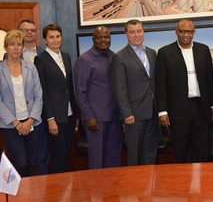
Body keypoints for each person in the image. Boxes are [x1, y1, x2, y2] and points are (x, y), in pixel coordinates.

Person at [156, 19, 213, 163]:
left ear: (194, 32)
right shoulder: (165, 52)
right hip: (178, 109)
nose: (186, 35)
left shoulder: (203, 50)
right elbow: (160, 84)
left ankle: (203, 176)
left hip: (201, 108)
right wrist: (162, 111)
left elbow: (210, 79)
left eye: (189, 32)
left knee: (203, 148)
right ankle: (184, 176)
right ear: (176, 31)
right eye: (182, 31)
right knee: (181, 148)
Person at [0, 30, 43, 177]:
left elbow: (38, 95)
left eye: (19, 44)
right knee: (20, 162)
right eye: (12, 44)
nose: (15, 48)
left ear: (23, 47)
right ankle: (19, 191)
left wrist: (30, 120)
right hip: (10, 124)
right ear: (6, 47)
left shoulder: (30, 67)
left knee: (31, 163)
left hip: (32, 122)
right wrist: (16, 123)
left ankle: (30, 191)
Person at [111, 20, 158, 166]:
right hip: (134, 114)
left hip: (152, 111)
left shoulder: (151, 53)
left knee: (150, 152)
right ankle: (136, 181)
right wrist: (127, 113)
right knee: (135, 154)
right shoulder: (120, 57)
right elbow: (120, 88)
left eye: (139, 31)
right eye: (132, 32)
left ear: (143, 32)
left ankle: (150, 178)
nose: (136, 35)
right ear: (126, 34)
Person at [74, 26, 123, 169]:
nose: (103, 40)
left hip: (114, 117)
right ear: (93, 39)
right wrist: (89, 117)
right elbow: (80, 92)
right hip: (96, 120)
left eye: (106, 37)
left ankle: (113, 184)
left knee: (114, 158)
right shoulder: (84, 60)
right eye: (99, 37)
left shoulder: (113, 57)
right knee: (97, 160)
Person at [34, 24, 77, 173]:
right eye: (51, 37)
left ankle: (66, 185)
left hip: (69, 113)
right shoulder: (40, 59)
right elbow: (43, 91)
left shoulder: (66, 56)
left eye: (58, 36)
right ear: (45, 40)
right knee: (58, 154)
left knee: (66, 152)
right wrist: (50, 118)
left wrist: (76, 114)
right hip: (55, 116)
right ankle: (58, 185)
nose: (55, 40)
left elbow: (69, 86)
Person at [17, 18, 49, 175]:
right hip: (20, 112)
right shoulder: (11, 54)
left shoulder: (44, 53)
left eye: (32, 30)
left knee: (42, 153)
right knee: (22, 158)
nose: (29, 33)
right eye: (25, 30)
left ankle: (43, 183)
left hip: (42, 109)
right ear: (19, 32)